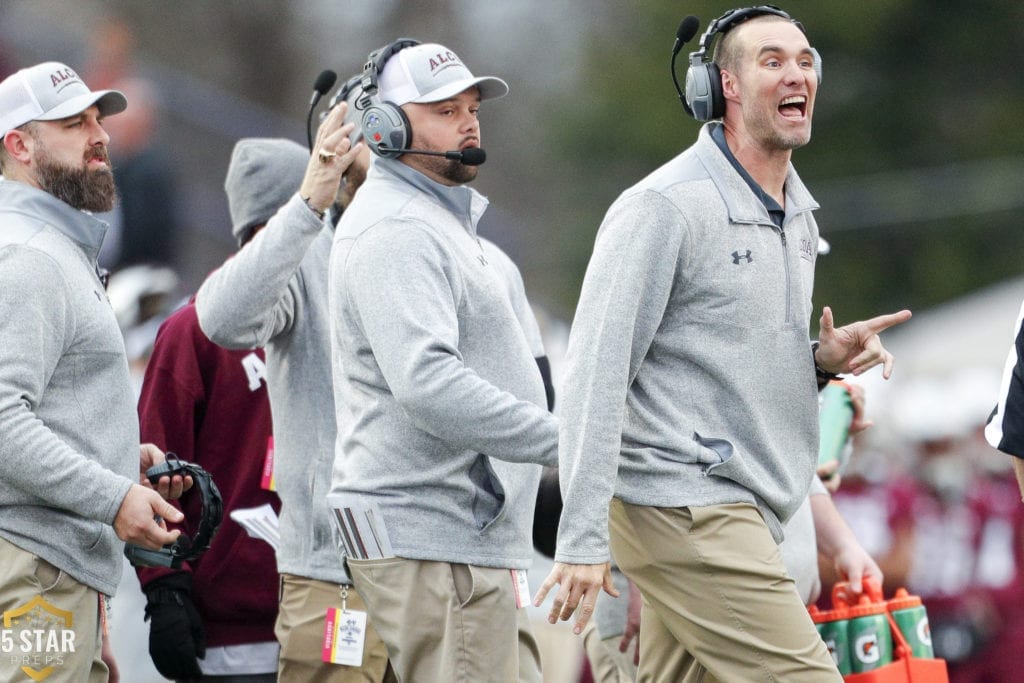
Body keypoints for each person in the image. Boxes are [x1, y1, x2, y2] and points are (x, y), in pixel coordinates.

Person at [533, 8, 911, 681]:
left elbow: (718, 372)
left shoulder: (797, 214)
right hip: (685, 502)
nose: (797, 73)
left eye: (804, 60)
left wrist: (817, 364)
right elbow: (595, 372)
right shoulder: (664, 206)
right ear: (723, 87)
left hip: (744, 510)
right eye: (772, 60)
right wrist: (585, 536)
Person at [327, 40, 558, 682]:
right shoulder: (396, 229)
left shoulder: (438, 224)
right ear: (386, 126)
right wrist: (568, 443)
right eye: (444, 108)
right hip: (436, 537)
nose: (469, 120)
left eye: (471, 106)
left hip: (465, 541)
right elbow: (427, 383)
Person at [195, 90, 393, 680]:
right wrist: (308, 205)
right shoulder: (299, 264)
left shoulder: (395, 247)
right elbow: (224, 318)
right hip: (332, 579)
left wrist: (374, 189)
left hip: (422, 576)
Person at [0, 61, 188, 681]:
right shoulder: (30, 255)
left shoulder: (49, 247)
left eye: (97, 118)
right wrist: (112, 496)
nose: (100, 134)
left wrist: (113, 455)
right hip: (34, 579)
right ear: (19, 145)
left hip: (51, 584)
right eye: (74, 123)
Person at [132, 134, 307, 681]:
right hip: (232, 636)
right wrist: (165, 588)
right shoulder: (196, 328)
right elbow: (154, 468)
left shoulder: (340, 317)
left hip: (336, 621)